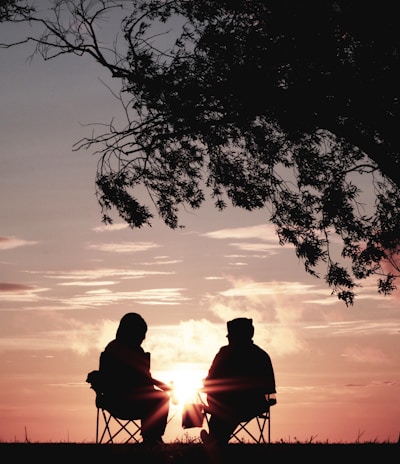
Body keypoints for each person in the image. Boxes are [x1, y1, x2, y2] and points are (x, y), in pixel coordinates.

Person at [98, 312, 171, 446]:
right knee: (161, 398)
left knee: (158, 398)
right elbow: (143, 378)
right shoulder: (124, 351)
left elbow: (144, 378)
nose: (143, 337)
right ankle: (152, 438)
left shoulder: (112, 348)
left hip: (113, 401)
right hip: (126, 402)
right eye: (141, 333)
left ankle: (152, 438)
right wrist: (165, 387)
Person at [201, 317, 276, 445]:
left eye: (229, 336)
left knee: (225, 409)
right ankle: (215, 440)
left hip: (229, 405)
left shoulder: (224, 353)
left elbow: (210, 380)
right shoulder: (261, 355)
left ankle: (215, 440)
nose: (228, 339)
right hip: (254, 406)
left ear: (234, 336)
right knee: (226, 410)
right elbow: (270, 389)